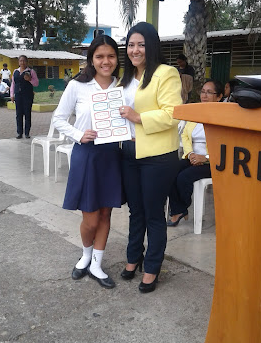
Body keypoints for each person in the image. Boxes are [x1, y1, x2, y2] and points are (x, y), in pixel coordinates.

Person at [53, 35, 123, 289]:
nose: (106, 61)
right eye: (100, 56)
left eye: (111, 56)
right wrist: (78, 134)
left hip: (112, 155)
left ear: (117, 58)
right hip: (87, 154)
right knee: (90, 218)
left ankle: (97, 263)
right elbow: (58, 118)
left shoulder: (123, 86)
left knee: (106, 212)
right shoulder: (78, 86)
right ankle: (85, 255)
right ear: (92, 59)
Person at [118, 22, 182, 293]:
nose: (135, 50)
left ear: (152, 46)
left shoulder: (166, 73)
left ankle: (153, 266)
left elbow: (172, 113)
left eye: (141, 44)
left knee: (154, 213)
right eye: (131, 45)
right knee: (136, 211)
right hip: (128, 151)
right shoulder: (126, 77)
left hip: (157, 155)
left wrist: (138, 117)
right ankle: (134, 257)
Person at [167, 80, 223, 227]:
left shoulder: (223, 119)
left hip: (214, 161)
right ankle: (179, 209)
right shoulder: (197, 113)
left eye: (209, 92)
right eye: (203, 91)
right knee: (170, 170)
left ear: (219, 97)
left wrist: (205, 158)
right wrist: (191, 153)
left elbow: (225, 144)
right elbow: (185, 134)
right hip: (192, 157)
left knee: (184, 177)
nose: (204, 95)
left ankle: (180, 209)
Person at [10, 55, 39, 139]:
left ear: (27, 62)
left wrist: (30, 80)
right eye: (20, 61)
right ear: (18, 62)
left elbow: (36, 83)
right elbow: (13, 84)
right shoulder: (15, 71)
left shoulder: (31, 71)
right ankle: (19, 133)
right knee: (18, 114)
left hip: (27, 95)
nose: (22, 62)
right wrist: (12, 95)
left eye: (24, 61)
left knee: (27, 114)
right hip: (18, 95)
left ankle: (27, 133)